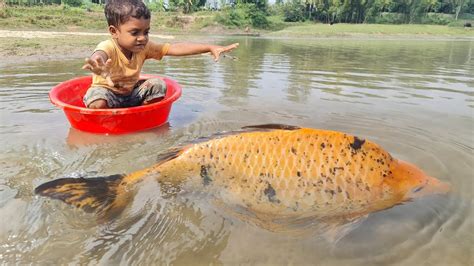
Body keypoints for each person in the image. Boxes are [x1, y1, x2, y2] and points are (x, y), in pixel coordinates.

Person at [82, 0, 239, 109]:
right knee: (97, 100)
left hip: (131, 96)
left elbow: (175, 48)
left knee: (158, 85)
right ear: (114, 32)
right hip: (108, 95)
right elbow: (99, 54)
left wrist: (209, 47)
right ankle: (108, 122)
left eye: (146, 31)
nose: (142, 38)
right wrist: (98, 63)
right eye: (135, 32)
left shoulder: (144, 47)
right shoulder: (108, 46)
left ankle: (139, 115)